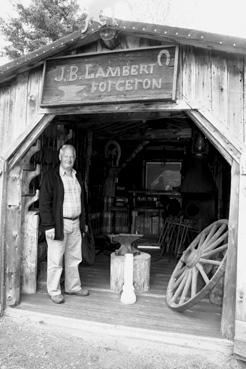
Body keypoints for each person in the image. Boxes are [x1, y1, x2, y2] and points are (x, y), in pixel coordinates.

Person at [39, 144, 89, 304]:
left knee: (74, 258)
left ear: (75, 158)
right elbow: (44, 203)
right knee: (55, 259)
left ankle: (72, 287)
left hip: (75, 223)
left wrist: (83, 223)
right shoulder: (51, 176)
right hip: (59, 224)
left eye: (72, 156)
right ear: (60, 157)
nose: (69, 159)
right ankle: (54, 291)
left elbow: (83, 201)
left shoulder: (77, 176)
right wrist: (48, 226)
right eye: (66, 156)